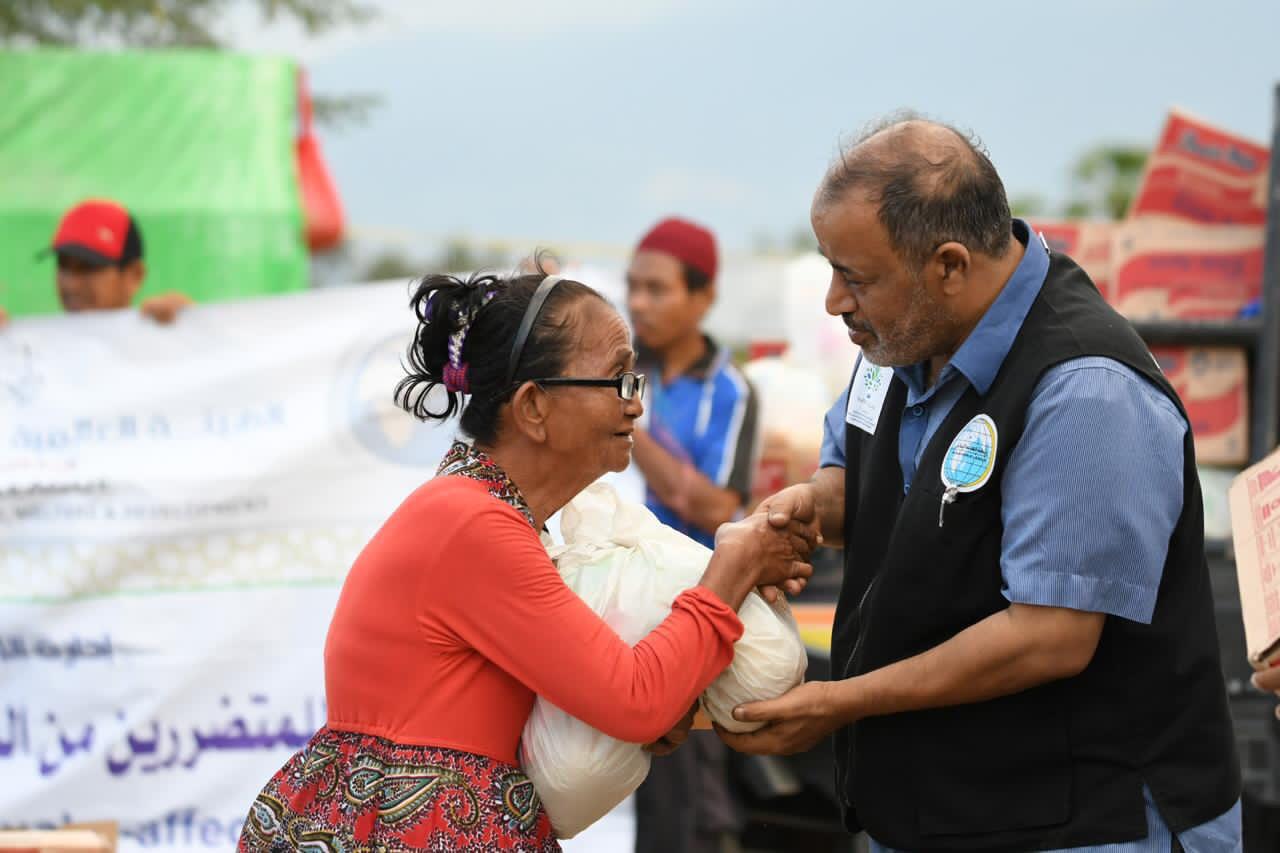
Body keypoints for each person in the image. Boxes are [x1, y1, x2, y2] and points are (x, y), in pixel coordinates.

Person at [719, 116, 1243, 852]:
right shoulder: (899, 338)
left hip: (1085, 824)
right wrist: (803, 507)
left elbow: (1048, 636)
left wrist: (840, 702)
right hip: (941, 812)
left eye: (857, 276)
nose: (835, 299)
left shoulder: (1085, 391)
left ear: (950, 266)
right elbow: (866, 481)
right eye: (832, 267)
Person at [237, 268, 814, 851]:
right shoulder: (472, 526)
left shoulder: (484, 519)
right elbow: (637, 700)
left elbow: (607, 708)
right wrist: (733, 568)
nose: (635, 404)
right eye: (616, 378)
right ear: (534, 407)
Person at [625, 217, 760, 853]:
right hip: (611, 613)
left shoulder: (731, 391)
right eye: (632, 288)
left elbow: (715, 507)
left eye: (657, 289)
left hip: (689, 620)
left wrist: (620, 427)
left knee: (685, 802)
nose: (638, 303)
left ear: (703, 297)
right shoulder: (612, 367)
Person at [0, 199, 190, 326]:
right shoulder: (34, 353)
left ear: (135, 275)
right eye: (63, 266)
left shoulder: (161, 347)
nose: (71, 284)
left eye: (89, 267)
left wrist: (193, 329)